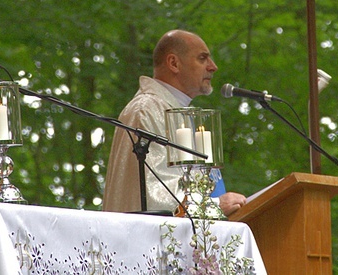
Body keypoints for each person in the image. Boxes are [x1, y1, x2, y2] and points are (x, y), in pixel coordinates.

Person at [103, 29, 247, 217]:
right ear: (174, 63)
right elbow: (154, 193)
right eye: (203, 58)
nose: (213, 67)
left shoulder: (180, 112)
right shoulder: (145, 110)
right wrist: (213, 207)